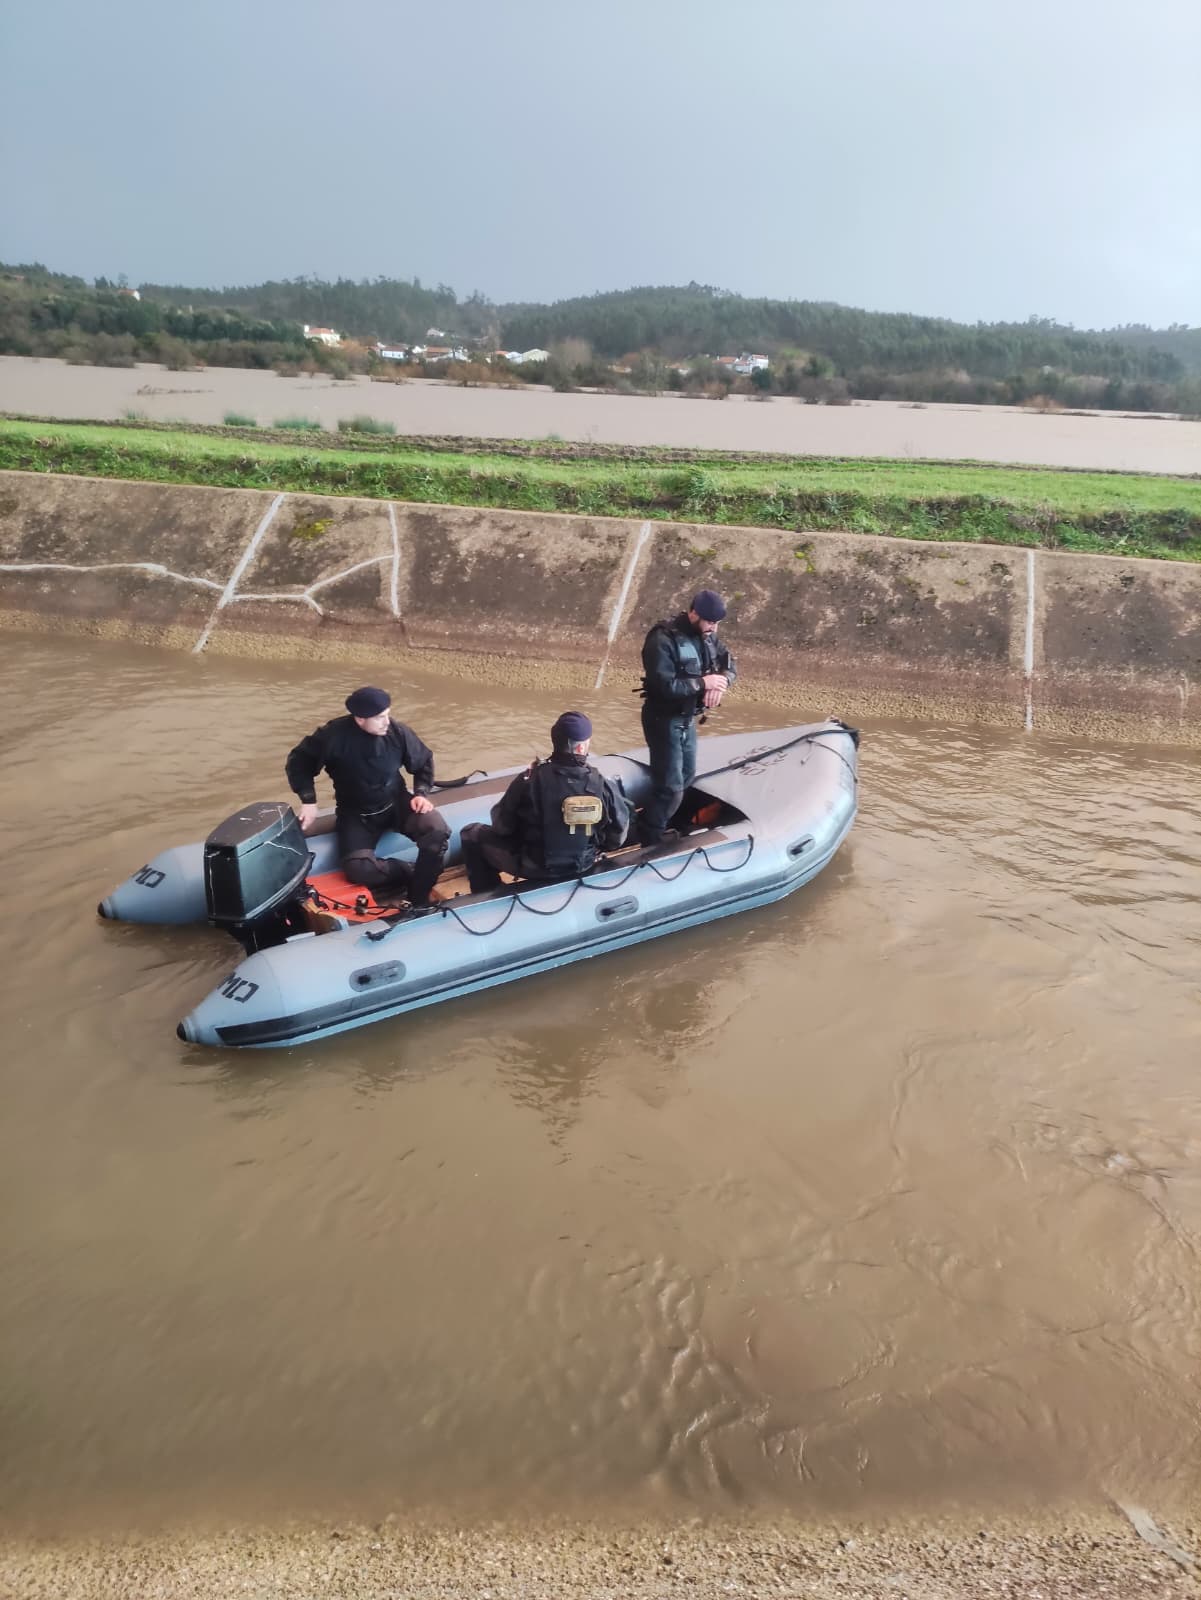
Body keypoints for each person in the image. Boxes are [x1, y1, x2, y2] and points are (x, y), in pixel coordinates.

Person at [285, 686, 450, 909]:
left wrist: (421, 792)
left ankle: (419, 896)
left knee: (436, 828)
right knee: (358, 869)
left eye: (387, 714)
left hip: (397, 802)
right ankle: (412, 870)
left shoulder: (398, 732)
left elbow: (423, 761)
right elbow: (299, 762)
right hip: (356, 813)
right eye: (380, 717)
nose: (386, 722)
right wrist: (308, 800)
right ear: (360, 719)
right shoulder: (332, 737)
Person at [459, 711, 630, 894]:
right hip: (583, 863)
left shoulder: (529, 779)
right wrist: (594, 849)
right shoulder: (602, 785)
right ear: (581, 748)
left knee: (471, 834)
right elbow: (617, 836)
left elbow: (501, 827)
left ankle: (488, 893)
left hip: (533, 866)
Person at [637, 588, 736, 845]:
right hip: (663, 720)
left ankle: (671, 827)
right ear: (693, 613)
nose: (713, 628)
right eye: (710, 622)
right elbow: (664, 685)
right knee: (669, 787)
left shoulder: (709, 638)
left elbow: (729, 665)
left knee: (688, 776)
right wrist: (704, 683)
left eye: (717, 624)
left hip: (687, 719)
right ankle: (649, 841)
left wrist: (721, 683)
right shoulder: (662, 639)